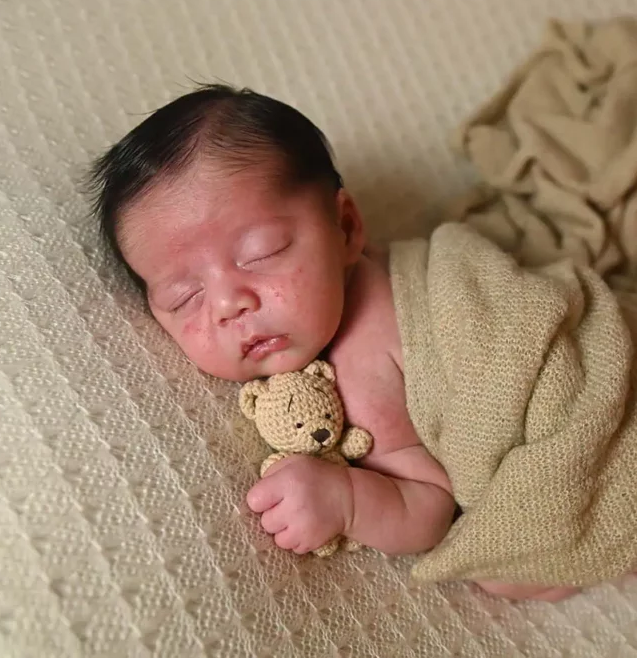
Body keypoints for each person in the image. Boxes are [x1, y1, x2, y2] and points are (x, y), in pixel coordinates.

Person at [87, 83, 578, 602]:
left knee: (509, 569)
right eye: (186, 297)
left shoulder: (362, 368)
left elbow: (430, 508)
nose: (230, 304)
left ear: (346, 228)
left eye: (260, 253)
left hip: (562, 385)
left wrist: (346, 500)